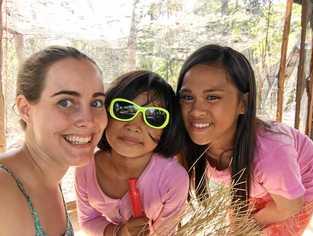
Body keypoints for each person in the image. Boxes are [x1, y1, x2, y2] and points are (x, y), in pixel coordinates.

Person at [176, 44, 313, 235]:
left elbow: (290, 205)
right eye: (187, 97)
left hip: (295, 193)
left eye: (212, 97)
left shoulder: (270, 153)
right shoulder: (186, 141)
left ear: (243, 103)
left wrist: (247, 226)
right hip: (260, 186)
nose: (196, 110)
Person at [0, 46, 108, 235]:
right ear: (26, 109)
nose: (88, 120)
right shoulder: (4, 191)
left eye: (96, 103)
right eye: (65, 102)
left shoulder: (50, 176)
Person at [75, 70, 189, 236]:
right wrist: (120, 232)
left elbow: (165, 232)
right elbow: (88, 221)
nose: (134, 125)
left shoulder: (173, 179)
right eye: (124, 109)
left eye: (154, 116)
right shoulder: (85, 167)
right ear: (105, 113)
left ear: (167, 129)